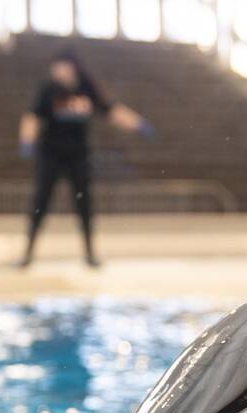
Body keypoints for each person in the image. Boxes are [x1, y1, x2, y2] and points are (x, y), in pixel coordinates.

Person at [18, 52, 154, 268]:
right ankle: (28, 253)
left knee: (84, 204)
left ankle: (90, 254)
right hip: (50, 154)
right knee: (40, 202)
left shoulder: (86, 89)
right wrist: (27, 141)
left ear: (72, 68)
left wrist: (139, 125)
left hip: (78, 155)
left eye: (61, 67)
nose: (57, 72)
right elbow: (32, 116)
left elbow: (111, 110)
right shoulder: (48, 90)